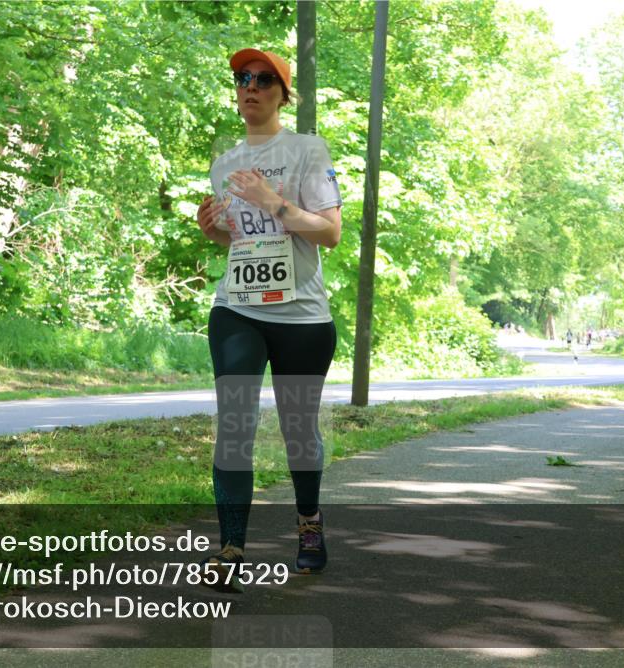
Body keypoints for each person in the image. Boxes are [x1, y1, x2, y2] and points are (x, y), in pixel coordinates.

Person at [195, 48, 342, 591]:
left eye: (261, 79)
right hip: (238, 307)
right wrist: (211, 228)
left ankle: (308, 523)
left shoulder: (307, 149)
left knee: (298, 429)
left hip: (302, 313)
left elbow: (329, 232)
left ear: (283, 92)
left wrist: (271, 198)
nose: (249, 87)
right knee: (235, 425)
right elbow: (238, 241)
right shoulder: (224, 163)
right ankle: (230, 548)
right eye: (241, 79)